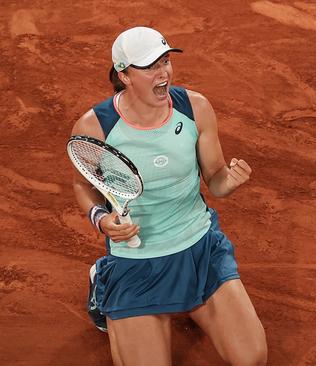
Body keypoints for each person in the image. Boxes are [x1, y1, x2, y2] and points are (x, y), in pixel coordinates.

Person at [70, 26, 267, 366]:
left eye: (165, 61)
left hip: (199, 250)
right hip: (136, 264)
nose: (163, 73)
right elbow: (82, 185)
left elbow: (216, 180)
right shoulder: (95, 128)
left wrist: (229, 182)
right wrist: (101, 220)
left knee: (252, 358)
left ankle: (191, 296)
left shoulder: (195, 108)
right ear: (124, 74)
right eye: (149, 66)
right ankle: (103, 280)